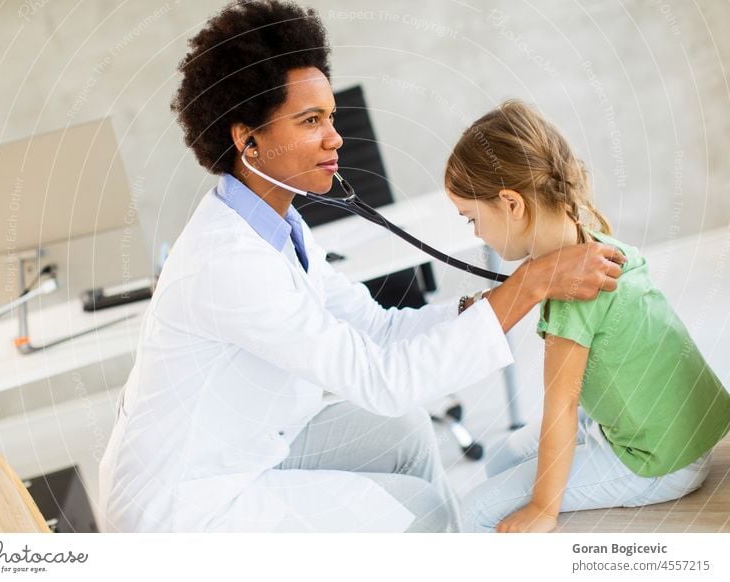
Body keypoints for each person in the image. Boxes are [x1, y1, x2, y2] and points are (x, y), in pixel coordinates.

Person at [98, 1, 625, 533]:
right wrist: (530, 286)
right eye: (310, 121)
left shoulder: (280, 226)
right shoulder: (228, 263)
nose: (336, 137)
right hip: (186, 503)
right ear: (247, 140)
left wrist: (494, 300)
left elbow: (376, 328)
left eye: (330, 117)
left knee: (405, 429)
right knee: (423, 512)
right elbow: (379, 378)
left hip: (243, 445)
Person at [445, 99, 730, 533]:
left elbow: (561, 404)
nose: (477, 233)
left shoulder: (573, 293)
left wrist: (542, 508)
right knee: (503, 457)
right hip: (676, 432)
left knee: (476, 512)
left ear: (511, 203)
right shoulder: (593, 245)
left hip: (659, 461)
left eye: (471, 219)